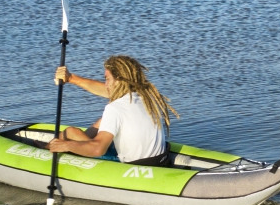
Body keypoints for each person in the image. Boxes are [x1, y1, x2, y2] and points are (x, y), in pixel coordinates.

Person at [46, 54, 180, 165]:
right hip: (160, 161)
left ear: (119, 81)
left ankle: (46, 149)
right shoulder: (148, 96)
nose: (105, 84)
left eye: (107, 79)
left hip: (133, 167)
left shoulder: (115, 108)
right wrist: (71, 78)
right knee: (103, 121)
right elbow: (105, 90)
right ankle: (75, 142)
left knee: (71, 132)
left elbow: (98, 149)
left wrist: (67, 146)